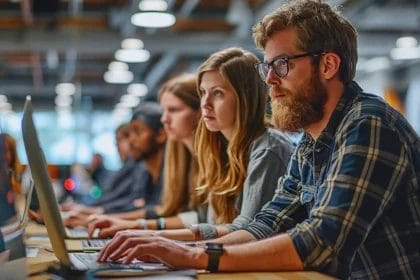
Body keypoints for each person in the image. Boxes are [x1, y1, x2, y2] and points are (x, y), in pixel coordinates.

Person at [96, 1, 420, 279]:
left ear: (328, 64)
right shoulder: (311, 140)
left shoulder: (369, 124)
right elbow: (267, 223)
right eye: (267, 68)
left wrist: (197, 257)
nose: (270, 81)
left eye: (282, 64)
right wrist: (179, 249)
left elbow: (324, 241)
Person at [89, 48, 293, 240]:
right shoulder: (222, 148)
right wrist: (139, 230)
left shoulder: (267, 148)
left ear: (245, 97)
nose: (205, 103)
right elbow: (202, 217)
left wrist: (148, 234)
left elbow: (247, 230)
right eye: (203, 92)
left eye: (218, 93)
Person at [87, 73, 205, 235]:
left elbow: (202, 220)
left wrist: (139, 227)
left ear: (200, 113)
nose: (165, 120)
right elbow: (189, 216)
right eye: (164, 112)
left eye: (174, 110)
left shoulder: (202, 162)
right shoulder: (179, 161)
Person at [63, 103, 166, 226]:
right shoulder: (147, 172)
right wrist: (96, 214)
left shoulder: (147, 171)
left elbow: (153, 210)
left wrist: (98, 215)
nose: (131, 140)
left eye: (137, 132)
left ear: (161, 135)